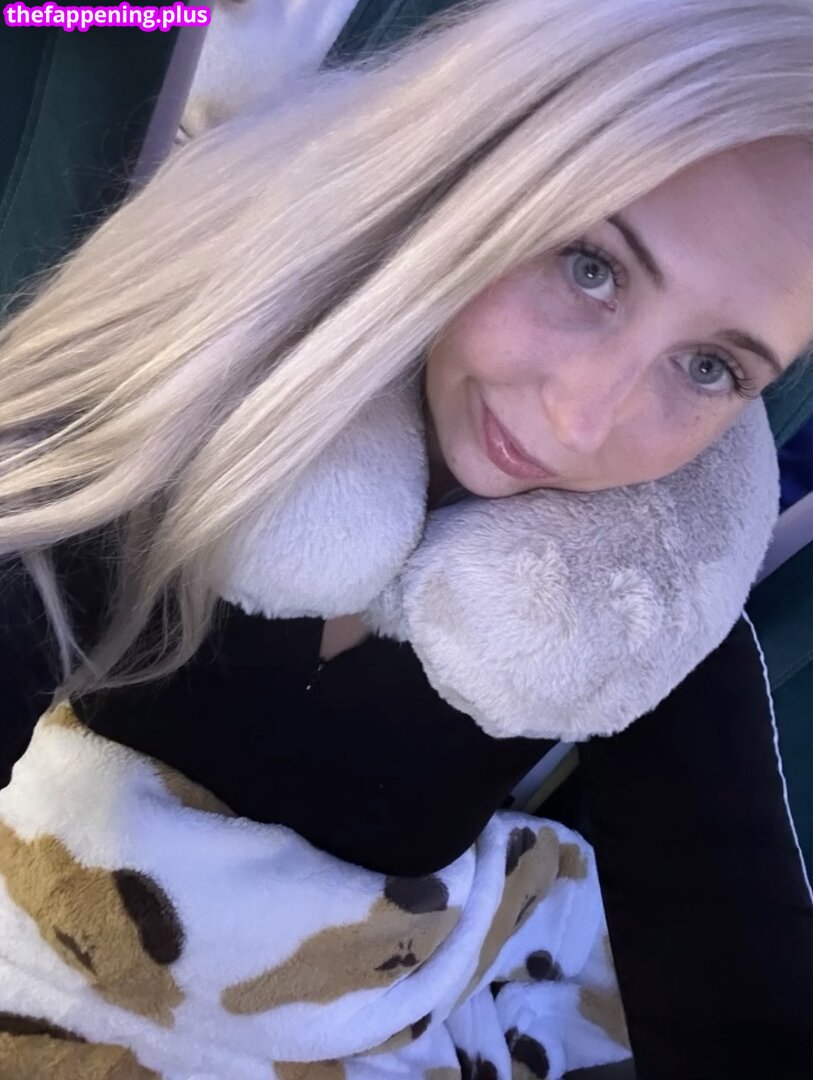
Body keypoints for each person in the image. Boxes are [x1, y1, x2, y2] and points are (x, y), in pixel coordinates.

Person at [0, 0, 811, 1076]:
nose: (582, 420)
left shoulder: (649, 593)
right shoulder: (195, 382)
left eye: (711, 367)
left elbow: (740, 969)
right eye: (591, 265)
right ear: (471, 169)